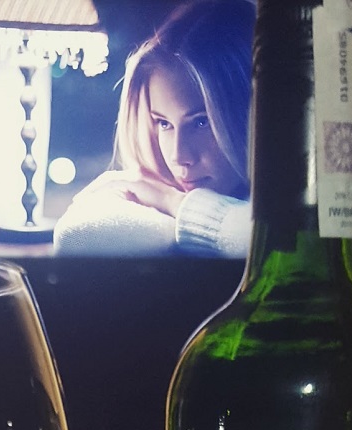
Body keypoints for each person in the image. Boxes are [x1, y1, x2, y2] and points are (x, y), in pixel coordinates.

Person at [53, 0, 255, 257]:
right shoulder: (149, 186)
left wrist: (174, 203)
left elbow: (269, 241)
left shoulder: (297, 199)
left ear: (248, 111)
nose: (179, 156)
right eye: (164, 123)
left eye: (201, 122)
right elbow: (74, 237)